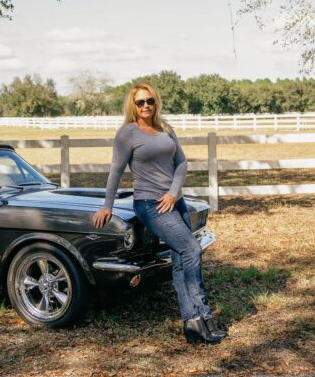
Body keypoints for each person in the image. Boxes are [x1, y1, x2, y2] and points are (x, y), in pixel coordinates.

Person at [91, 82, 226, 344]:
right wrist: (107, 205)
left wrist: (174, 193)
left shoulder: (165, 128)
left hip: (175, 202)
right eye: (140, 102)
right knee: (191, 250)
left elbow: (182, 162)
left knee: (180, 259)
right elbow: (116, 171)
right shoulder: (127, 134)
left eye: (149, 101)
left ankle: (193, 323)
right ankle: (203, 316)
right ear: (133, 105)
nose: (145, 106)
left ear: (156, 102)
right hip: (150, 205)